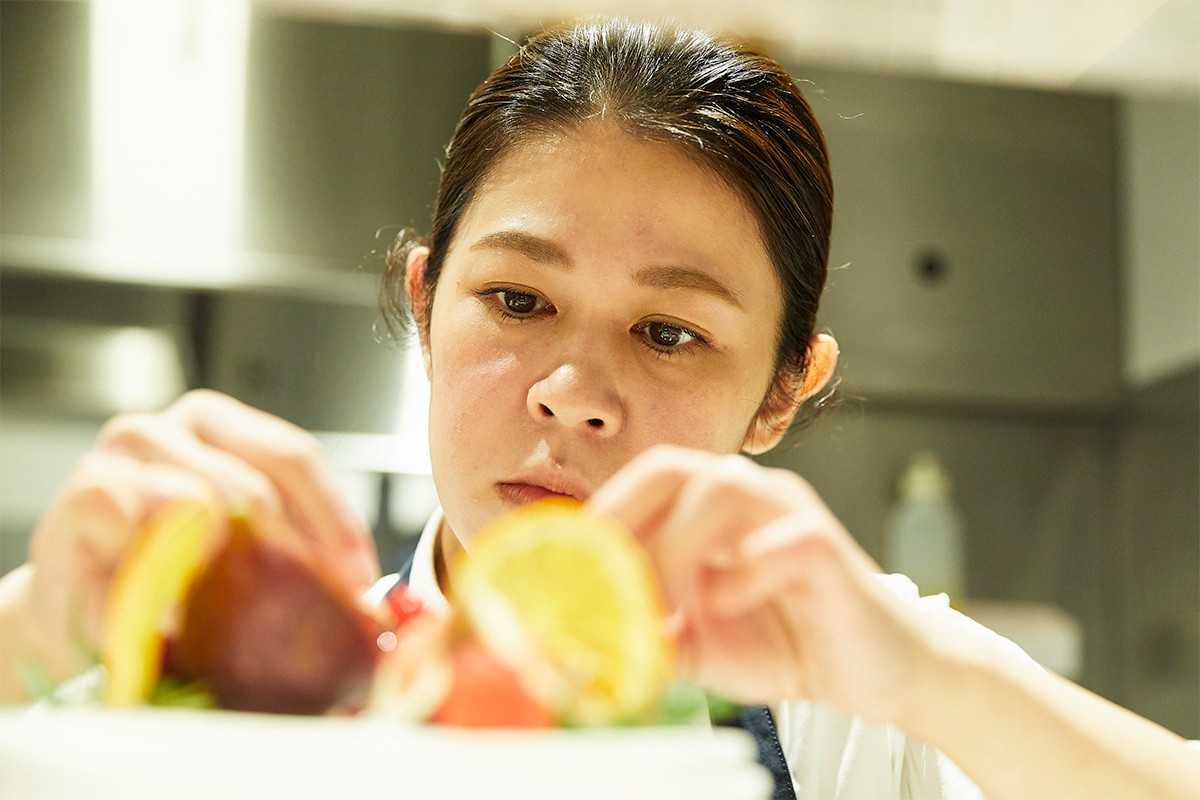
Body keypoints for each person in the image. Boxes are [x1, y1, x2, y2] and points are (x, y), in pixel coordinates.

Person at [0, 16, 1196, 800]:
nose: (571, 394)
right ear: (426, 307)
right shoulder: (232, 677)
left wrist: (929, 677)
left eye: (669, 332)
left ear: (782, 391)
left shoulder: (856, 704)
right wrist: (25, 630)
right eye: (517, 299)